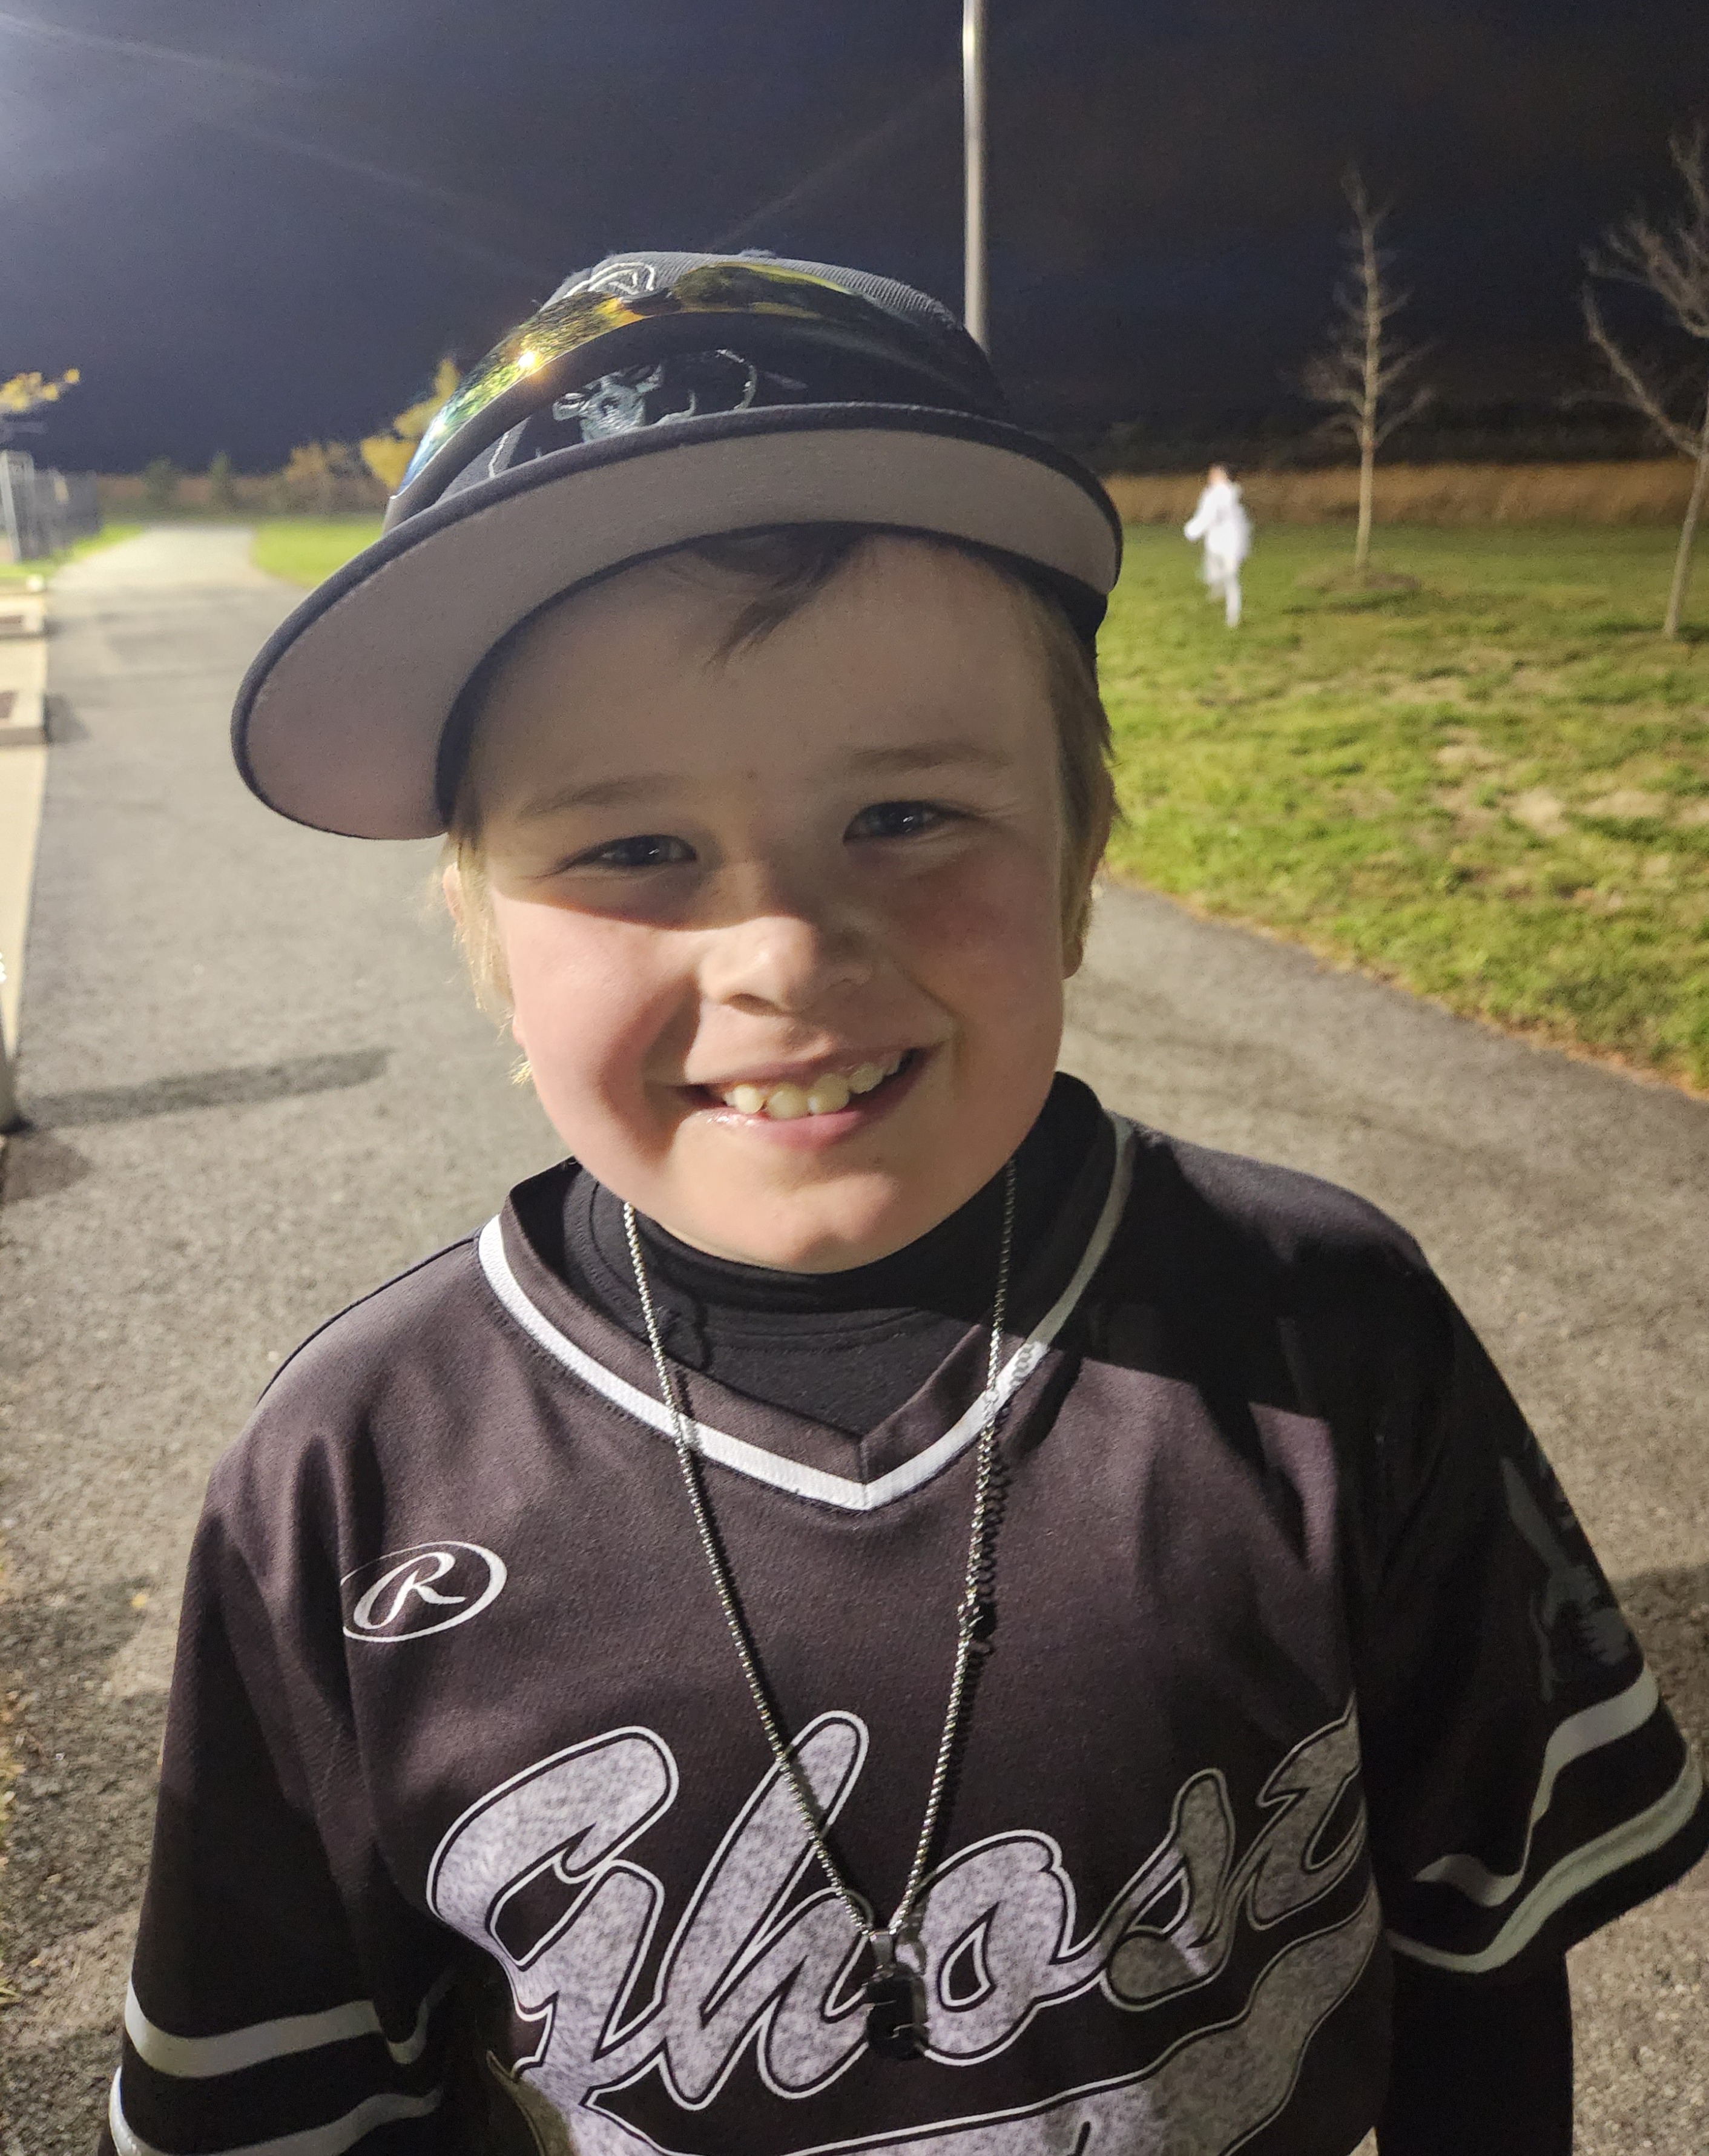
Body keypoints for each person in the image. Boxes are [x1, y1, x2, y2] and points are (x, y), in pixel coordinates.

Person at [106, 252, 1703, 2156]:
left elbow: (1481, 1950)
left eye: (904, 816)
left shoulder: (1323, 1335)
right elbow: (284, 2098)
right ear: (483, 941)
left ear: (1079, 858)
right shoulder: (349, 1480)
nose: (784, 950)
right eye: (634, 846)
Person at [1184, 461, 1252, 626]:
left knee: (1230, 578)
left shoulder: (1222, 494)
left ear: (1224, 475)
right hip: (1220, 543)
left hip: (1228, 543)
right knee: (1220, 573)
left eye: (1214, 473)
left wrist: (1193, 531)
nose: (1210, 476)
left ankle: (1233, 616)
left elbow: (1210, 516)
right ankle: (1221, 598)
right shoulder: (1218, 493)